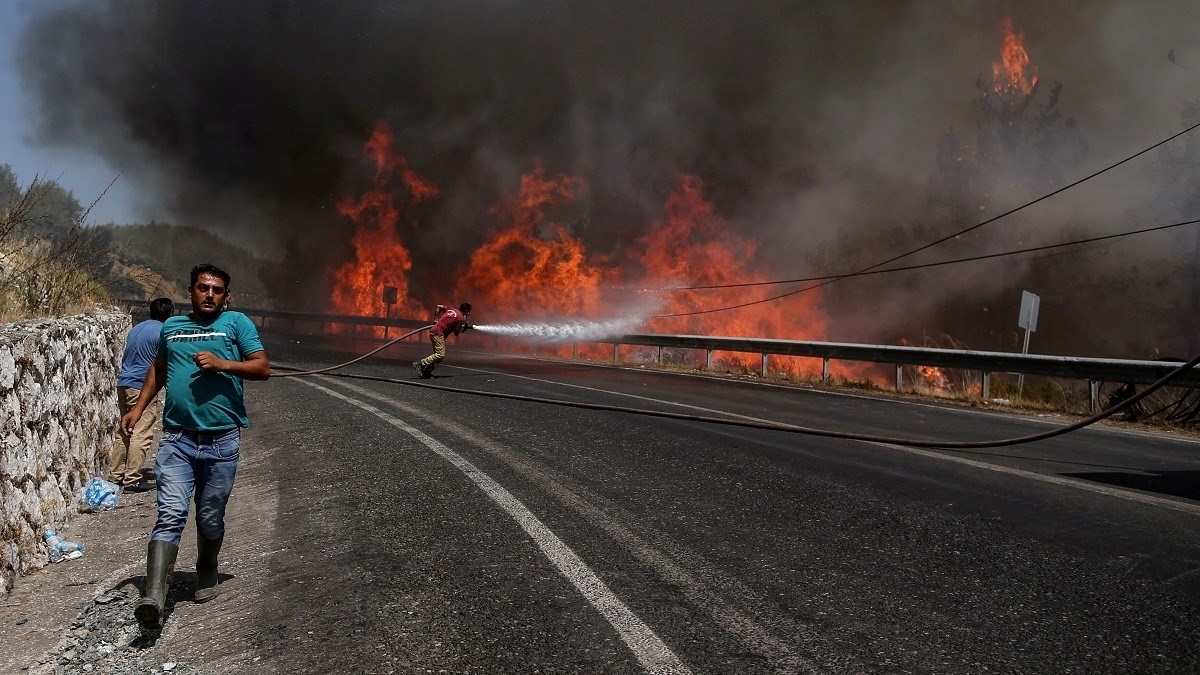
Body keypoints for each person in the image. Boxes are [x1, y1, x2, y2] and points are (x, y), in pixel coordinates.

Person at [121, 263, 270, 629]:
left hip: (222, 440)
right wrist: (138, 409)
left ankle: (207, 568)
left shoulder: (237, 324)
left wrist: (222, 364)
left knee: (209, 516)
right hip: (177, 439)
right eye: (203, 288)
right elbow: (158, 368)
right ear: (190, 291)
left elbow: (262, 368)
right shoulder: (171, 327)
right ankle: (154, 596)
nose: (210, 294)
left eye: (217, 290)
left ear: (226, 296)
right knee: (170, 513)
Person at [110, 297, 173, 493]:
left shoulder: (136, 328)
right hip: (141, 385)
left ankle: (115, 475)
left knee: (125, 430)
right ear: (169, 315)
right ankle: (133, 479)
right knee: (142, 431)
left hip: (123, 382)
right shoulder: (163, 332)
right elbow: (163, 363)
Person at [413, 302, 471, 378]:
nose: (469, 313)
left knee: (440, 355)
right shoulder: (461, 318)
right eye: (469, 312)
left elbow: (438, 306)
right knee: (440, 354)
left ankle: (427, 372)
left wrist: (436, 319)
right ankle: (420, 364)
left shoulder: (452, 310)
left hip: (435, 332)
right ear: (466, 311)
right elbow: (456, 333)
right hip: (438, 334)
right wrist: (463, 326)